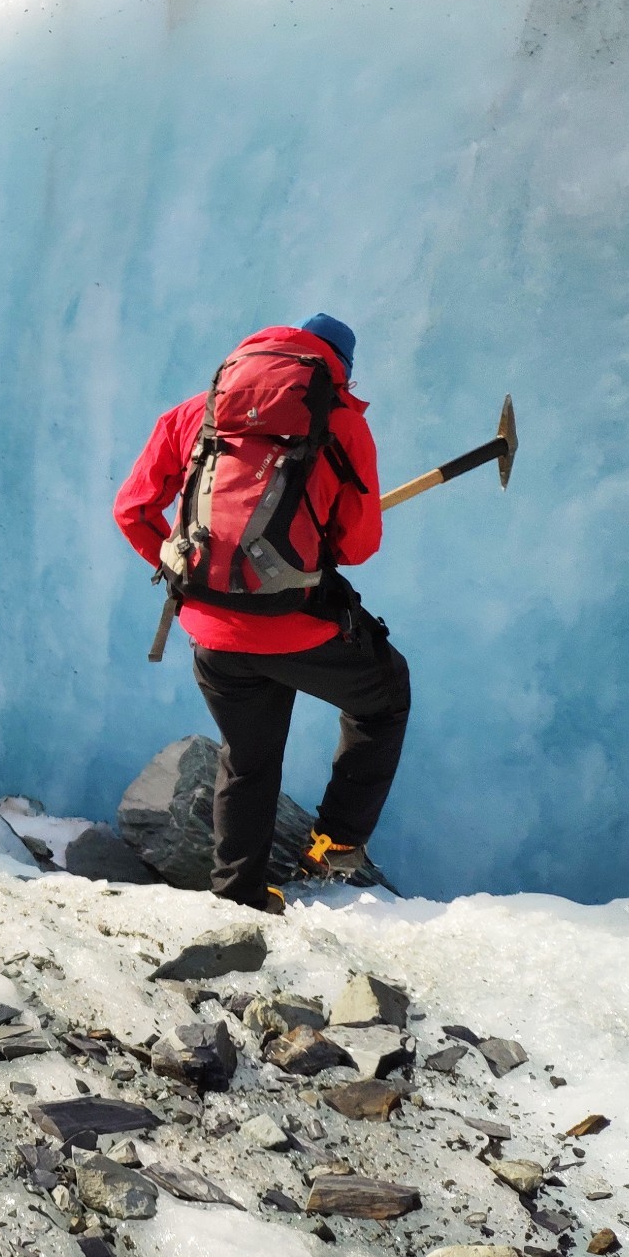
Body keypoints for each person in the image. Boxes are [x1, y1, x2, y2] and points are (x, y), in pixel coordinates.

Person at [113, 315, 410, 912]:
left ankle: (240, 895)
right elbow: (358, 547)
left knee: (247, 759)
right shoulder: (343, 424)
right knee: (383, 697)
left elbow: (133, 509)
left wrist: (183, 574)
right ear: (338, 371)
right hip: (300, 627)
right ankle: (336, 841)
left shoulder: (196, 412)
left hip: (213, 635)